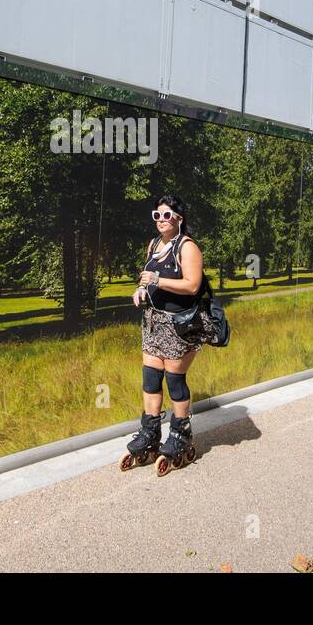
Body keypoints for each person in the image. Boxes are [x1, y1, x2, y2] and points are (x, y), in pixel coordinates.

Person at [120, 194, 215, 474]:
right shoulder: (153, 245)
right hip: (153, 322)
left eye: (167, 215)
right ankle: (150, 433)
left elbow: (192, 285)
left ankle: (180, 436)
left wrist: (160, 281)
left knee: (174, 381)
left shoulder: (187, 247)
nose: (161, 220)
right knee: (150, 380)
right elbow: (147, 277)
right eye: (157, 215)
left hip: (180, 324)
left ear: (179, 219)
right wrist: (141, 290)